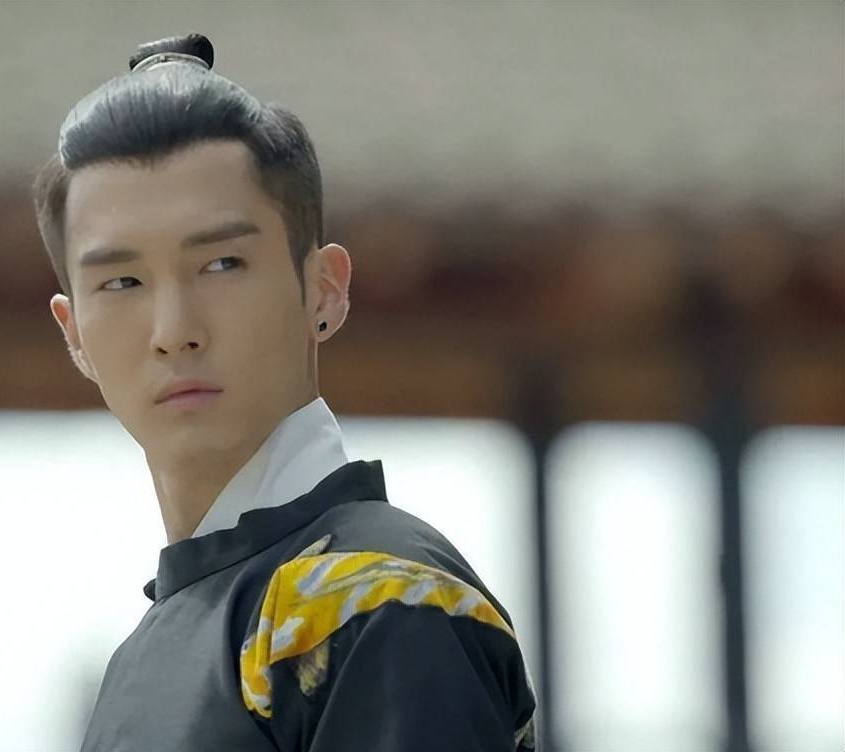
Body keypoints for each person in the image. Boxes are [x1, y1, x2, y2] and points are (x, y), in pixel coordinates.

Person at [34, 32, 537, 752]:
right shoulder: (144, 651)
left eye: (222, 264)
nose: (174, 331)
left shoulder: (377, 599)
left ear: (324, 287)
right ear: (73, 332)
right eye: (122, 281)